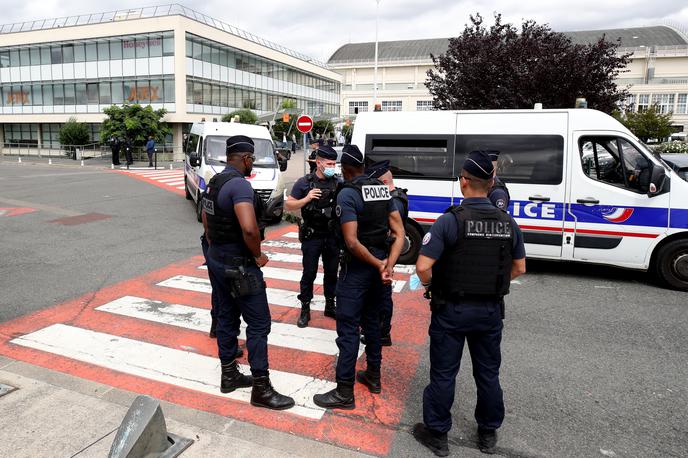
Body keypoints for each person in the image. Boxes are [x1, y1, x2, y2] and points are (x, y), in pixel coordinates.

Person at [412, 151, 526, 456]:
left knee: (444, 373)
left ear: (464, 182)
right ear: (490, 184)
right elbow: (519, 268)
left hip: (451, 309)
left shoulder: (450, 221)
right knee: (488, 373)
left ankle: (437, 434)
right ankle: (487, 433)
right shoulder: (507, 222)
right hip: (489, 312)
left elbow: (423, 267)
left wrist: (432, 286)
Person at [202, 135, 295, 410]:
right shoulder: (240, 186)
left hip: (217, 257)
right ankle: (262, 389)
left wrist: (214, 247)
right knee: (258, 324)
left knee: (226, 316)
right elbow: (250, 228)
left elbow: (206, 220)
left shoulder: (214, 181)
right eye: (251, 159)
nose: (251, 164)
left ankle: (229, 374)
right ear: (245, 158)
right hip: (239, 263)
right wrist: (257, 255)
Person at [313, 144, 405, 409]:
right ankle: (373, 376)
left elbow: (351, 242)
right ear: (364, 166)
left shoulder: (347, 195)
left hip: (358, 268)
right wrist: (388, 264)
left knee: (349, 328)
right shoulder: (380, 189)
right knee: (373, 323)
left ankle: (344, 391)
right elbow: (399, 234)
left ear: (345, 169)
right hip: (379, 265)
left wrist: (378, 264)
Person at [284, 144, 340, 327]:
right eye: (330, 163)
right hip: (312, 236)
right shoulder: (305, 182)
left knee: (332, 273)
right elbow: (289, 205)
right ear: (319, 163)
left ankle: (330, 305)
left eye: (334, 163)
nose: (333, 166)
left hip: (331, 236)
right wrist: (307, 198)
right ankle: (305, 308)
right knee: (309, 273)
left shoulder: (338, 183)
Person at [360, 160, 408, 346]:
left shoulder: (393, 200)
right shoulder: (397, 196)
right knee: (381, 294)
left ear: (381, 182)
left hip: (386, 255)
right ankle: (380, 330)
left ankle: (382, 332)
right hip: (387, 254)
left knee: (382, 295)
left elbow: (393, 231)